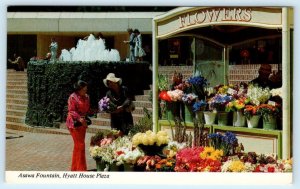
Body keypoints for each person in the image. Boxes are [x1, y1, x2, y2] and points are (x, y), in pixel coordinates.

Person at [66, 80, 91, 171]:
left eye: (86, 89)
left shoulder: (87, 97)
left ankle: (75, 168)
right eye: (84, 89)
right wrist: (80, 118)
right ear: (78, 89)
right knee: (80, 145)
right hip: (74, 123)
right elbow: (71, 110)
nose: (85, 91)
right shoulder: (72, 97)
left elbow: (87, 109)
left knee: (78, 146)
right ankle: (81, 169)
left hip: (83, 123)